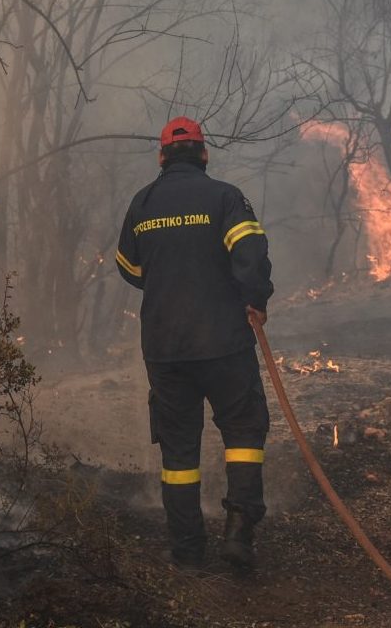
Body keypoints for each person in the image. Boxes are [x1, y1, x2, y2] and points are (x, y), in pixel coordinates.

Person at [115, 116, 273, 570]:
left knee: (179, 449)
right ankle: (239, 536)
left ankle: (187, 549)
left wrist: (167, 278)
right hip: (224, 341)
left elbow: (129, 267)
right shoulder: (225, 197)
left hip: (166, 348)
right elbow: (250, 254)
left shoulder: (142, 203)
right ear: (204, 154)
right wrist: (255, 300)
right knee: (243, 432)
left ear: (161, 158)